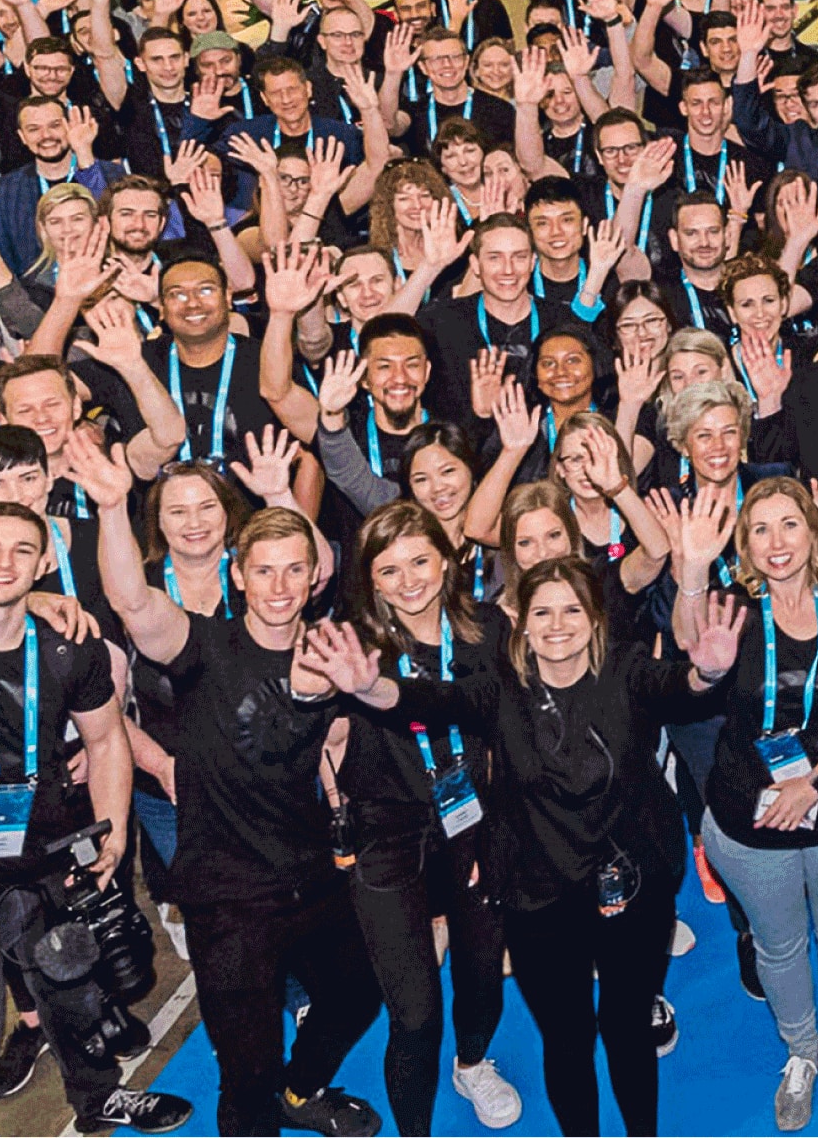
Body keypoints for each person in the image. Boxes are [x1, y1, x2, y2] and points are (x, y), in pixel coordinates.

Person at [310, 552, 739, 1138]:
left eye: (572, 610)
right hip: (539, 894)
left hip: (633, 882)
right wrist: (371, 688)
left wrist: (706, 674)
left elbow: (679, 689)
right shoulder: (499, 689)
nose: (557, 625)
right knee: (567, 1038)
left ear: (595, 619)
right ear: (523, 623)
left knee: (626, 1029)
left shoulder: (627, 669)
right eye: (542, 612)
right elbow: (429, 700)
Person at [80, 437, 387, 1138]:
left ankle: (300, 1092)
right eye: (264, 571)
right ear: (239, 576)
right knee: (246, 1075)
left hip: (312, 877)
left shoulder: (333, 654)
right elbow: (131, 599)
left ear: (313, 577)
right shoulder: (201, 646)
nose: (279, 586)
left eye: (294, 570)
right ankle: (265, 1103)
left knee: (356, 994)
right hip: (227, 899)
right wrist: (112, 506)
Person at [0, 502, 192, 1138]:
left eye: (22, 550)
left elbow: (106, 741)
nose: (4, 563)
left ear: (44, 562)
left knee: (76, 996)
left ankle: (100, 1100)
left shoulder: (67, 650)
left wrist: (114, 831)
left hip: (47, 859)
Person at [696, 479, 818, 1128]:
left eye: (789, 524)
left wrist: (811, 786)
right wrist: (689, 568)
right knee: (776, 945)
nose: (776, 542)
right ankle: (801, 1050)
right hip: (749, 819)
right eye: (760, 529)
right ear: (745, 546)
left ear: (815, 531)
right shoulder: (731, 613)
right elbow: (693, 657)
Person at [339, 502, 522, 1133]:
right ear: (371, 581)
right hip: (388, 837)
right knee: (415, 1015)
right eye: (389, 570)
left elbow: (507, 735)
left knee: (482, 975)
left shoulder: (489, 631)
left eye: (420, 561)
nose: (409, 581)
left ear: (447, 562)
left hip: (475, 825)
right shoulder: (355, 649)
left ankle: (472, 1064)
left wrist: (502, 834)